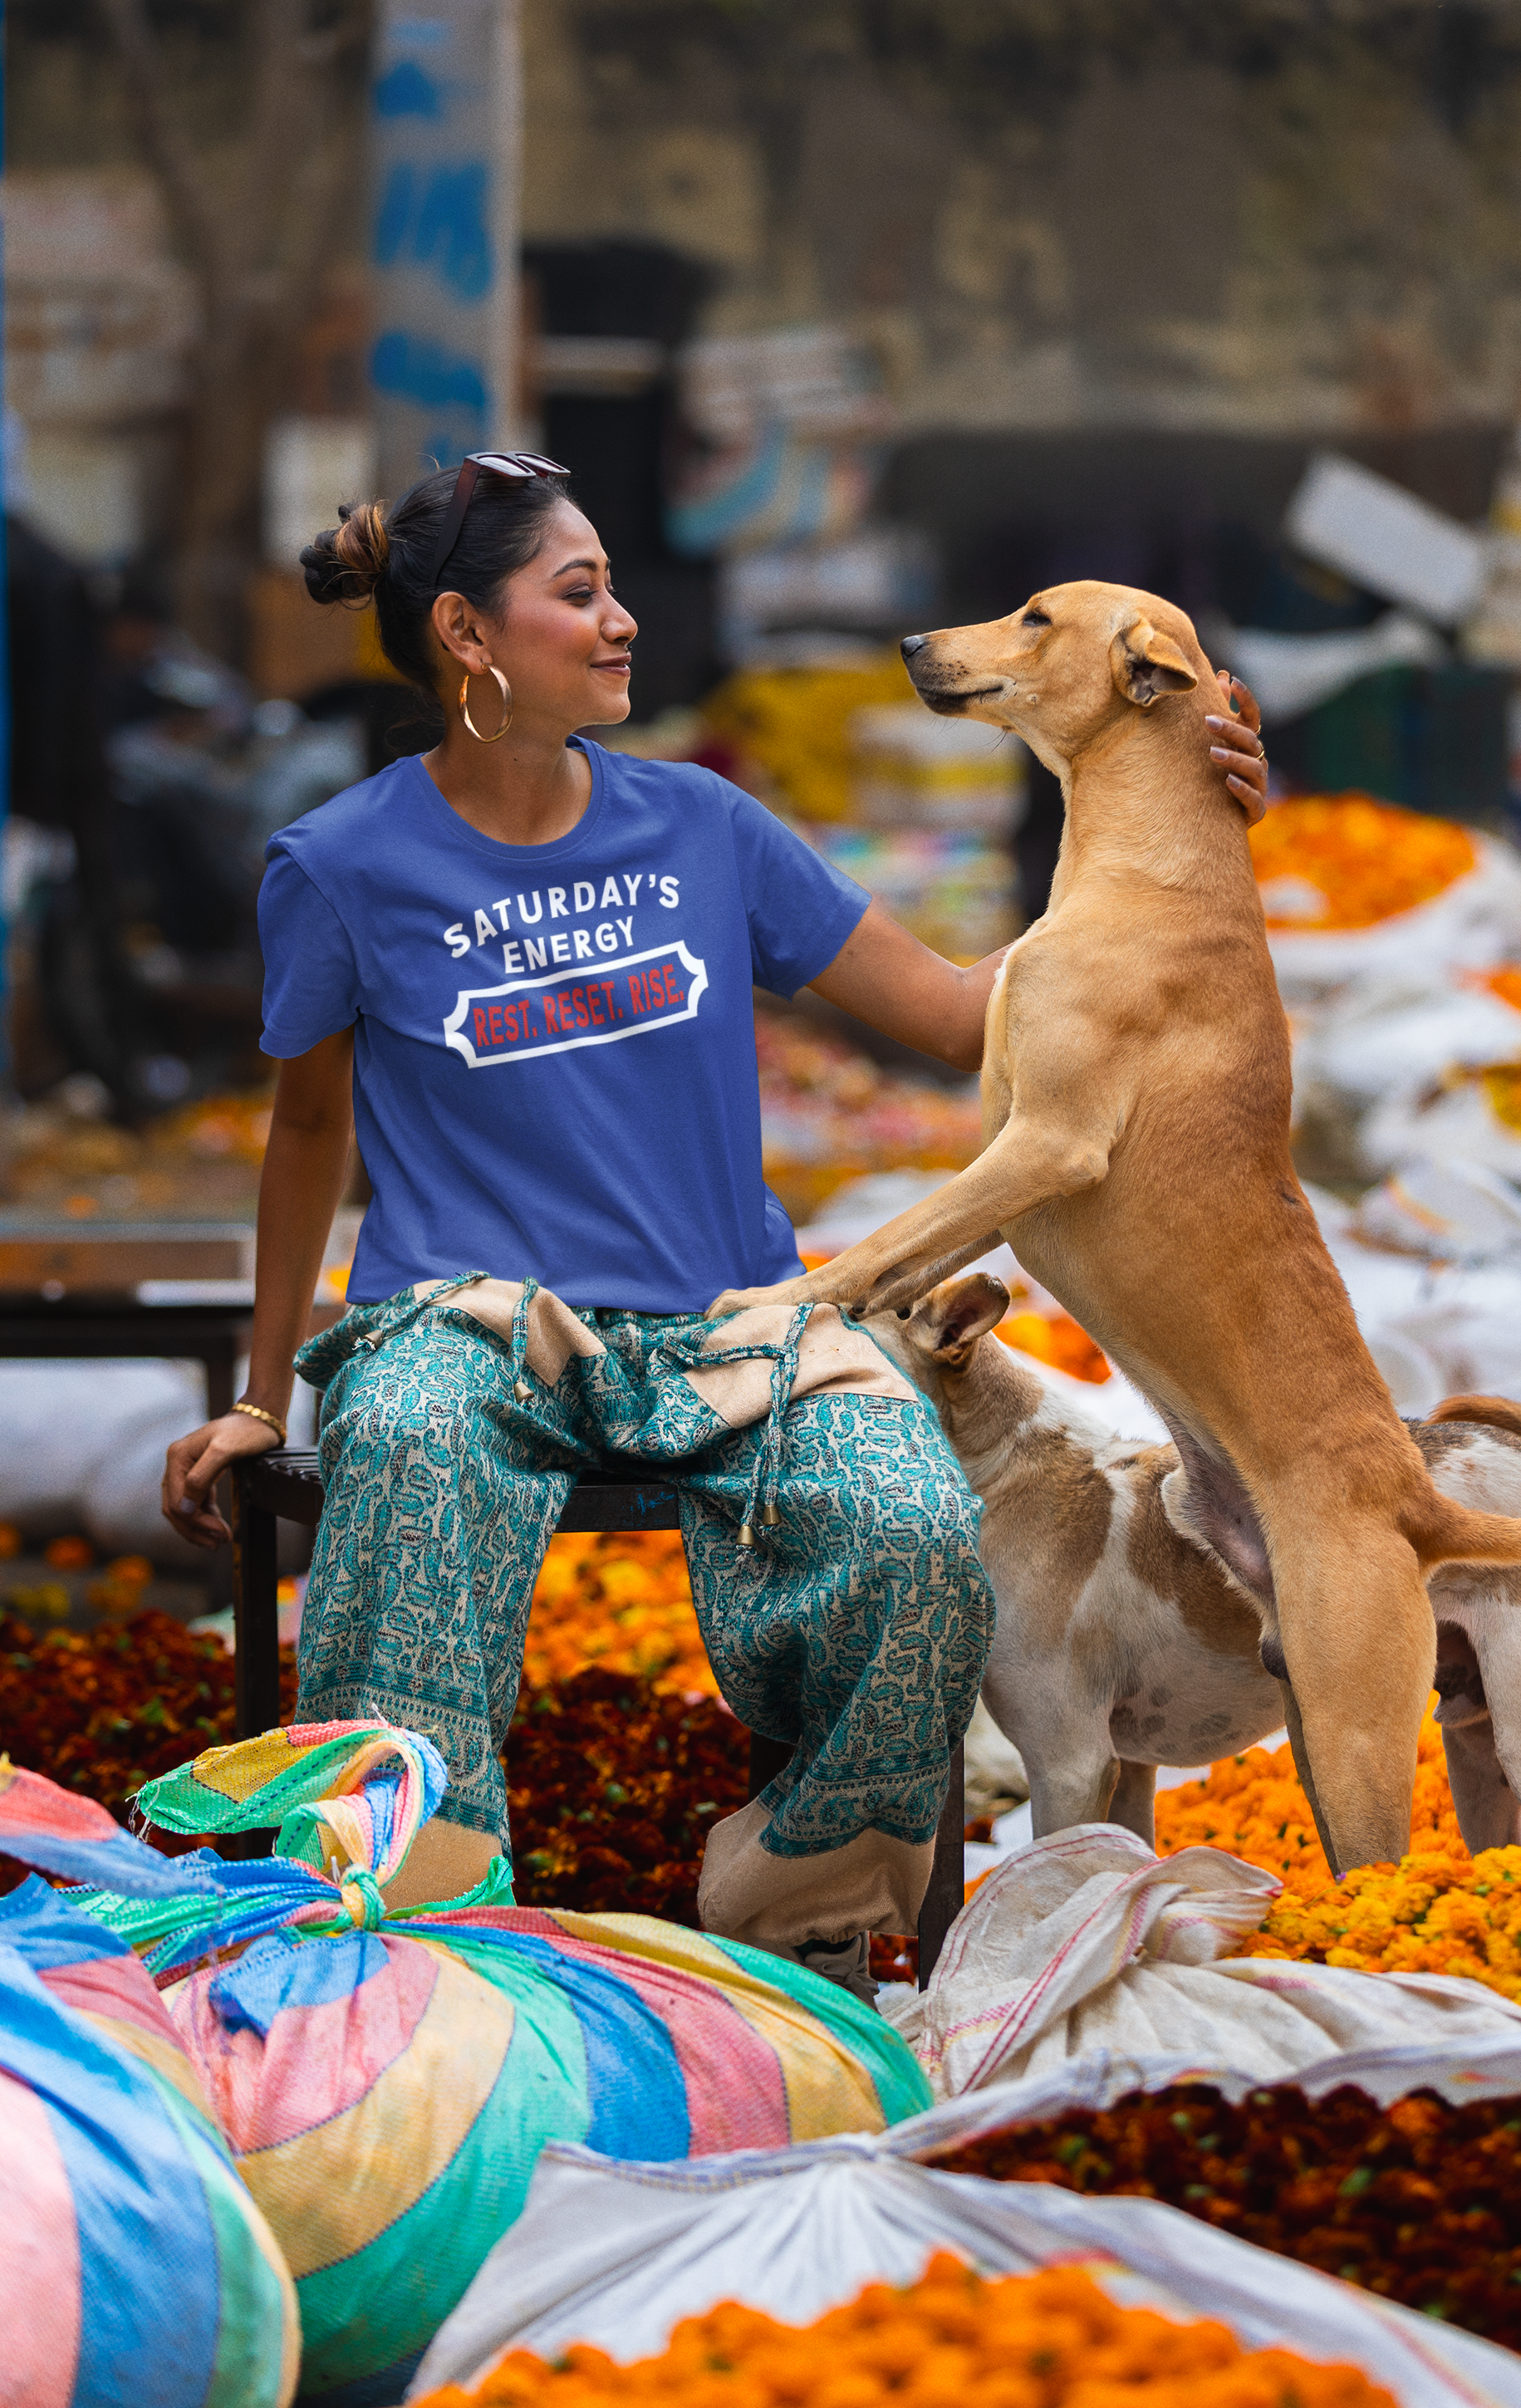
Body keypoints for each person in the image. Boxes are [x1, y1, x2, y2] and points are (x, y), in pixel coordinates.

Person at [161, 454, 1268, 1991]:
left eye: (614, 588)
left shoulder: (707, 828)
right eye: (580, 593)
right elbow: (304, 1134)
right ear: (470, 639)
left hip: (735, 1323)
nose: (622, 624)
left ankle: (796, 1936)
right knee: (406, 1456)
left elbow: (963, 1020)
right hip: (472, 1324)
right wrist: (258, 1397)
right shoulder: (338, 867)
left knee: (911, 1528)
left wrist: (1167, 815)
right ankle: (399, 1945)